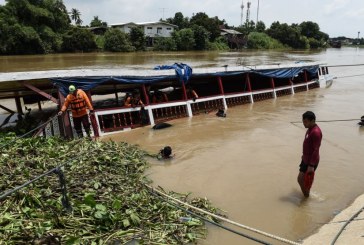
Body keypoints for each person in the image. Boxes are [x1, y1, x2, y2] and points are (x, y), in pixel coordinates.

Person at [297, 111, 322, 197]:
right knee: (302, 180)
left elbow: (316, 149)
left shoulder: (316, 132)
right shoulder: (309, 129)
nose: (304, 123)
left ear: (312, 121)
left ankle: (306, 198)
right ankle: (306, 195)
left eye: (306, 121)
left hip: (311, 161)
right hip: (305, 159)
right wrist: (304, 155)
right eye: (303, 121)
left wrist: (311, 165)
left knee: (301, 180)